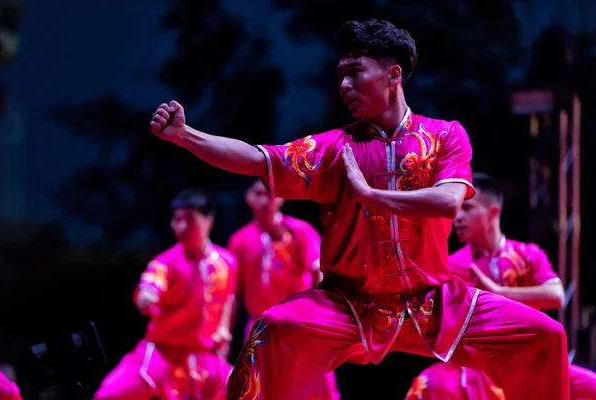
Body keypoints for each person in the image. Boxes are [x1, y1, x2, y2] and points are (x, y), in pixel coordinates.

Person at [149, 18, 569, 400]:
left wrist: (372, 197)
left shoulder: (445, 136)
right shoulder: (333, 149)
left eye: (355, 72)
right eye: (339, 76)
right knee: (271, 332)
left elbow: (447, 202)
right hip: (349, 303)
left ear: (393, 75)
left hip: (438, 301)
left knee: (545, 336)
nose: (343, 85)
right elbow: (257, 158)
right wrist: (187, 136)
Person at [405, 173, 596, 400]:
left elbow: (555, 295)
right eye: (457, 209)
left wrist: (500, 293)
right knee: (426, 387)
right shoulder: (450, 266)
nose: (458, 217)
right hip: (477, 367)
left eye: (467, 208)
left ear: (493, 212)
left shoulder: (527, 255)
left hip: (531, 363)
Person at [92, 190, 237, 400]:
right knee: (108, 396)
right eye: (177, 220)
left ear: (208, 221)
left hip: (202, 360)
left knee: (253, 391)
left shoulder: (226, 263)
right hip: (162, 356)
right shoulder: (165, 263)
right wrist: (146, 296)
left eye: (189, 219)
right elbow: (151, 284)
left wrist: (223, 331)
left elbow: (228, 298)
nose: (182, 227)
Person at [227, 179, 340, 400]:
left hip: (301, 325)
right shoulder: (239, 241)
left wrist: (324, 318)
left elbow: (319, 274)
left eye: (269, 193)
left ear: (281, 197)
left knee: (321, 390)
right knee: (257, 392)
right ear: (248, 198)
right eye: (257, 193)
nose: (264, 200)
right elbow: (231, 293)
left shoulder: (301, 232)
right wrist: (226, 333)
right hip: (260, 329)